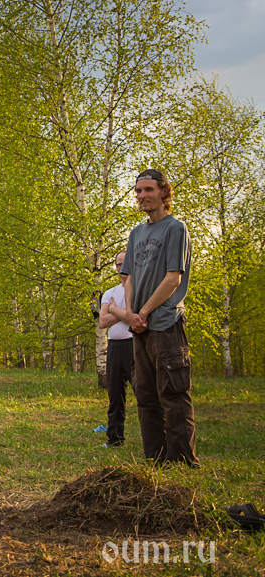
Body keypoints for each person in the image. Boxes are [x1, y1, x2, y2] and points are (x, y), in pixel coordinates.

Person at [120, 169, 198, 468]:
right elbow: (128, 278)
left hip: (165, 323)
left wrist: (144, 313)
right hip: (139, 327)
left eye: (148, 190)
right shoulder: (136, 233)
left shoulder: (175, 229)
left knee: (173, 395)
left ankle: (183, 463)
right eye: (138, 191)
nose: (142, 196)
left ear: (164, 192)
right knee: (145, 395)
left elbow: (173, 278)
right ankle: (156, 460)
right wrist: (131, 313)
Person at [98, 250, 134, 448]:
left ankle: (156, 438)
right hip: (114, 347)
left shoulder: (138, 289)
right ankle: (114, 438)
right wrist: (124, 312)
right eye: (118, 265)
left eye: (125, 263)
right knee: (115, 395)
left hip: (133, 345)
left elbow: (135, 316)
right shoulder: (110, 292)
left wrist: (113, 309)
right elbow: (103, 322)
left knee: (143, 392)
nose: (122, 268)